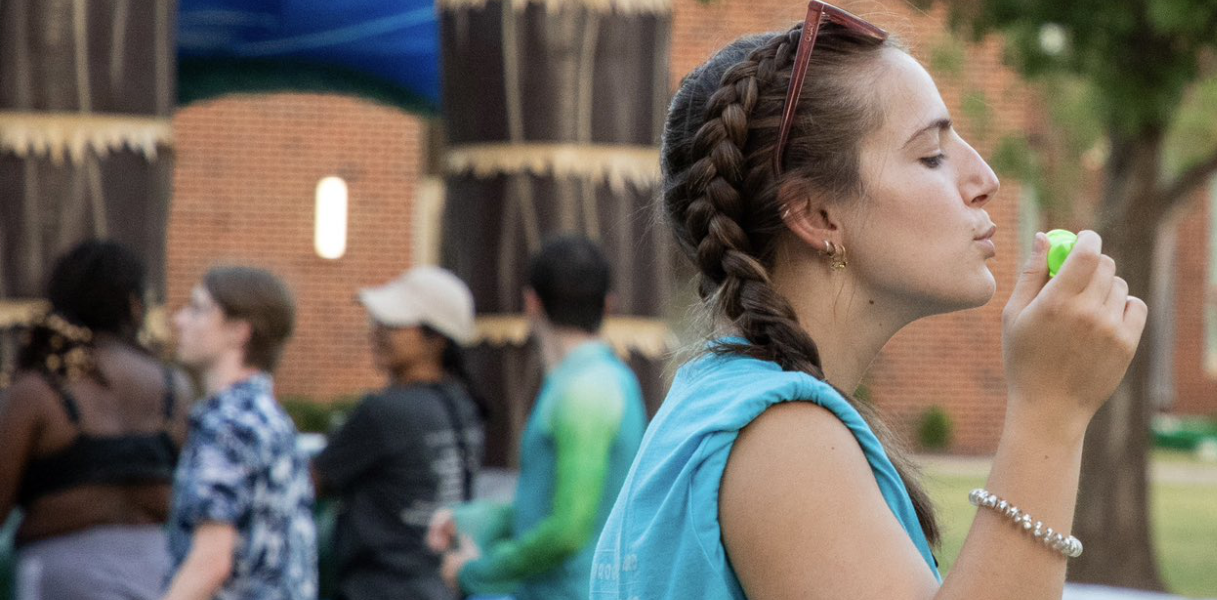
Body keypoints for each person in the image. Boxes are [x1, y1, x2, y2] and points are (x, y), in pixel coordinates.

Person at [588, 2, 1147, 598]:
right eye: (931, 155)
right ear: (816, 213)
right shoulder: (781, 441)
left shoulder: (734, 403)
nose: (985, 178)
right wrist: (1049, 411)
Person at [427, 237, 646, 599]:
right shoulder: (616, 380)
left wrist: (476, 572)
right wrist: (470, 520)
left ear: (532, 303)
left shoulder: (581, 391)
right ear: (609, 305)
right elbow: (548, 505)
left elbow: (569, 529)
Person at [0, 241, 192, 600]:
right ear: (135, 305)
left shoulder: (40, 389)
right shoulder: (173, 388)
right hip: (157, 574)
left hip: (62, 574)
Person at [313, 267, 485, 600]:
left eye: (392, 324)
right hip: (443, 587)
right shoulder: (464, 406)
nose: (376, 332)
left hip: (380, 588)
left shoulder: (385, 412)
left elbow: (308, 483)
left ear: (436, 338)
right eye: (376, 321)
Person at [163, 266, 317, 600]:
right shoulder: (271, 419)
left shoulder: (227, 424)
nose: (180, 320)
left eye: (199, 309)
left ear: (238, 332)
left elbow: (211, 562)